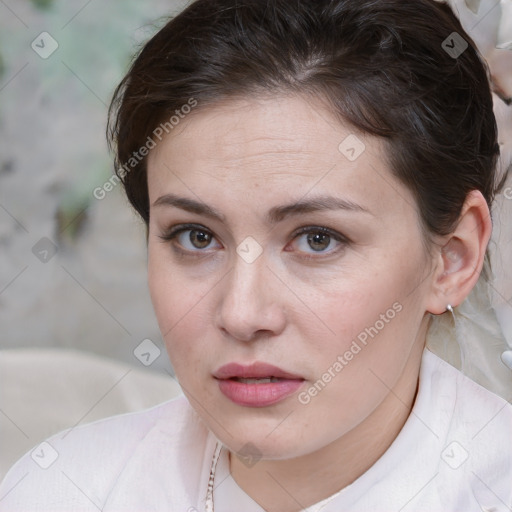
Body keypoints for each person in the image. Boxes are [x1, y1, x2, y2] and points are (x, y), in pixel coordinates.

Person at [1, 0, 511, 510]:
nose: (241, 314)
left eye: (317, 238)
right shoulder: (63, 491)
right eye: (196, 237)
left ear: (453, 259)